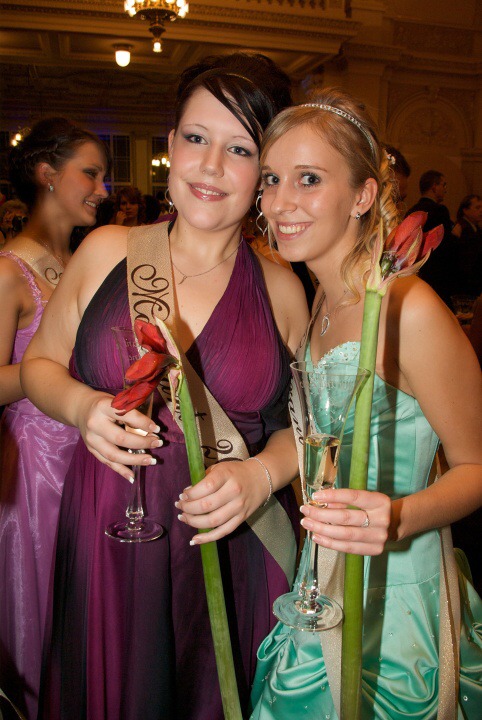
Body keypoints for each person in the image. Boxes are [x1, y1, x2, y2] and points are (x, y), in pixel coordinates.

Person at [21, 53, 308, 720]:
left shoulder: (283, 289)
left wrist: (262, 474)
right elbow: (39, 366)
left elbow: (311, 430)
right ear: (172, 144)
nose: (210, 166)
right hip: (108, 538)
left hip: (234, 547)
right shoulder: (108, 250)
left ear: (265, 170)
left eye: (240, 149)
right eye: (197, 138)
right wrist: (83, 407)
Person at [245, 91, 482, 718]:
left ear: (363, 196)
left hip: (395, 606)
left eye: (309, 179)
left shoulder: (409, 309)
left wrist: (396, 518)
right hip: (319, 581)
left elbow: (478, 467)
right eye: (271, 179)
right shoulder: (320, 300)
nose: (280, 202)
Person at [0, 117, 109, 720]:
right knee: (43, 605)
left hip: (94, 449)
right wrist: (56, 369)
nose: (102, 189)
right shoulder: (8, 272)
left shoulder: (88, 260)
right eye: (90, 173)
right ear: (47, 174)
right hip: (39, 467)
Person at [405, 169, 456, 307]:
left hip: (416, 273)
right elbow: (447, 247)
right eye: (443, 185)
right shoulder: (440, 211)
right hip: (438, 274)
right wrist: (455, 236)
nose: (445, 189)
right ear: (434, 187)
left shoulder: (412, 211)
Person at [451, 194, 482, 298]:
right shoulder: (462, 228)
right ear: (465, 210)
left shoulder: (475, 228)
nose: (481, 211)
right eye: (477, 207)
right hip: (467, 283)